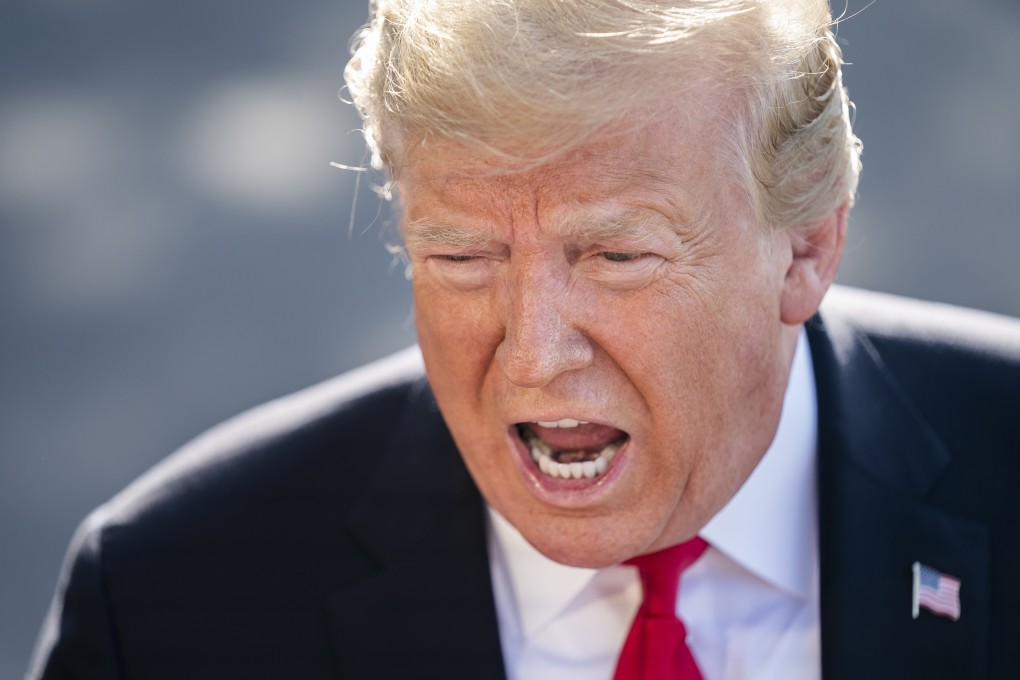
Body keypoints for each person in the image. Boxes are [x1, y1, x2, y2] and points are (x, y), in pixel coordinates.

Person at [28, 1, 1020, 678]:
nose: (536, 355)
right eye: (463, 257)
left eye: (615, 255)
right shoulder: (169, 600)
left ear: (806, 245)